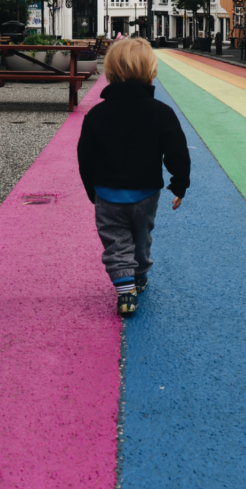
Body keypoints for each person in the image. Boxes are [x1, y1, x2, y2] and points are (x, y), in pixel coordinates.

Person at [77, 39, 191, 315]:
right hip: (146, 192)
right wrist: (179, 184)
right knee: (142, 235)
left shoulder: (97, 114)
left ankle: (125, 289)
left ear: (110, 73)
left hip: (107, 192)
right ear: (151, 73)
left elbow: (85, 156)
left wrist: (92, 189)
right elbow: (177, 151)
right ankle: (138, 275)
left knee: (115, 241)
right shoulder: (161, 113)